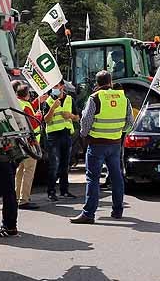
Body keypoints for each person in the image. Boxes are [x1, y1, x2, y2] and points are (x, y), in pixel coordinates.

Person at [71, 70, 134, 224]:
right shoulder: (123, 98)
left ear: (96, 83)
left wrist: (84, 135)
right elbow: (130, 123)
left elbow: (85, 121)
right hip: (115, 144)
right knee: (117, 177)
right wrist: (119, 132)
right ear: (110, 81)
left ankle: (88, 214)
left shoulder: (94, 98)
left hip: (97, 144)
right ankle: (117, 211)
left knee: (92, 178)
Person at [42, 81, 79, 201]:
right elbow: (46, 120)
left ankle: (64, 191)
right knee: (54, 164)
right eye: (53, 87)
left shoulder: (70, 99)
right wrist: (53, 108)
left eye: (56, 86)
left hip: (66, 134)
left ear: (62, 87)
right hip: (53, 136)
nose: (54, 89)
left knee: (65, 164)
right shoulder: (48, 101)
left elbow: (77, 117)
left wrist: (71, 116)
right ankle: (51, 191)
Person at [13, 83, 41, 208]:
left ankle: (17, 196)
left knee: (20, 171)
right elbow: (34, 124)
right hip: (31, 144)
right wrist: (39, 115)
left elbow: (28, 109)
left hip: (20, 142)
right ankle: (24, 200)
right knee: (28, 171)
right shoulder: (26, 106)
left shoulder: (17, 103)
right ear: (27, 95)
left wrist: (36, 102)